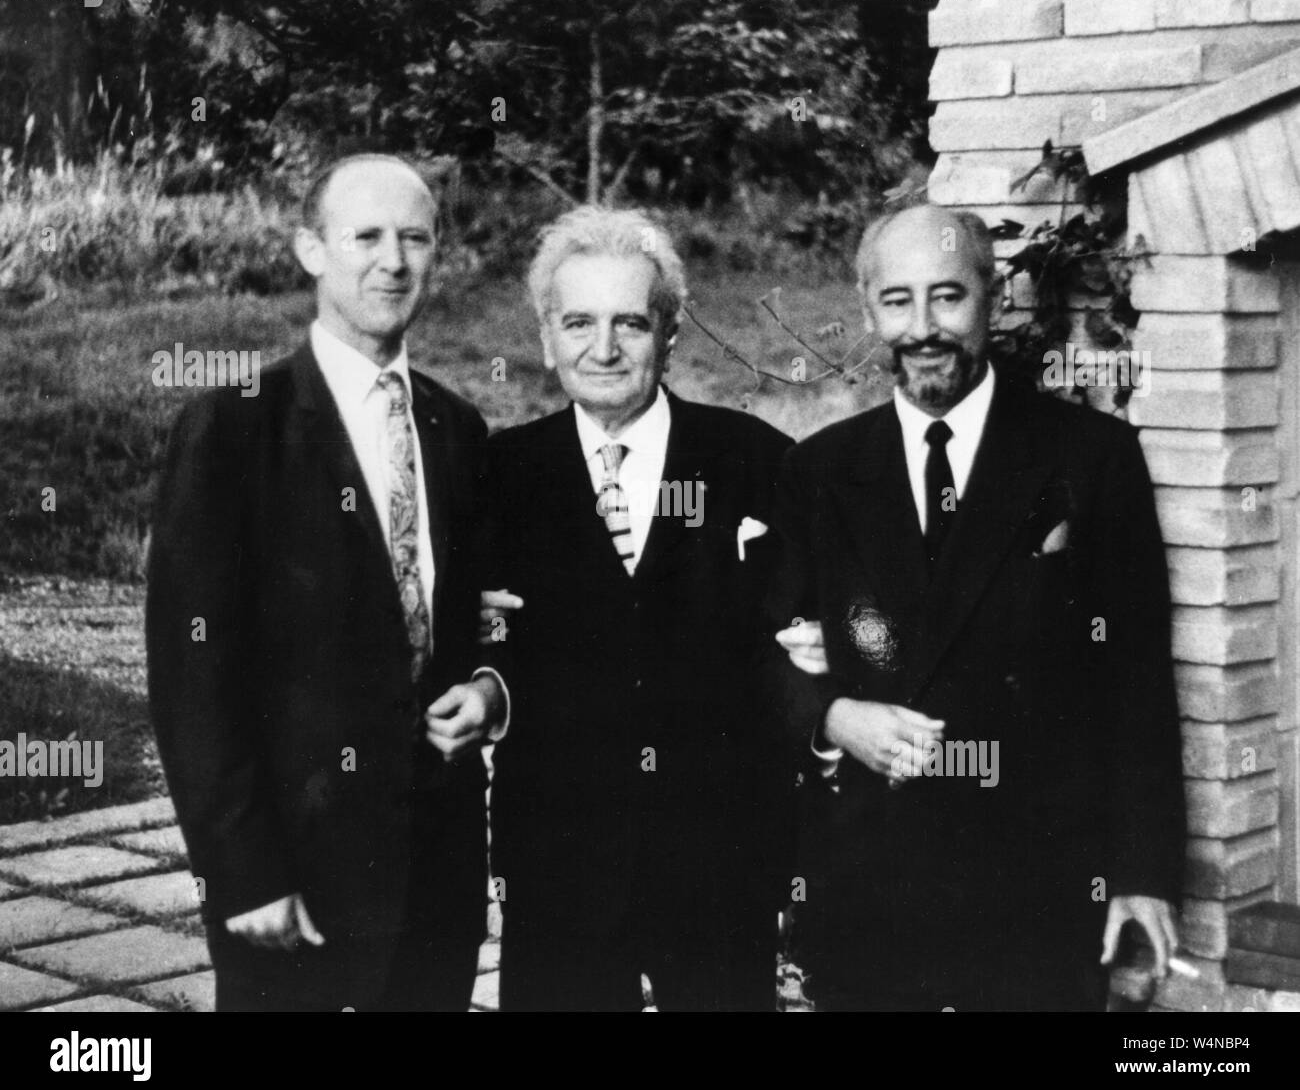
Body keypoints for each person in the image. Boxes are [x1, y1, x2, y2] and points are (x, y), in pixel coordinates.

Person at [766, 204, 1185, 1011]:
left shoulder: (1091, 459)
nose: (923, 327)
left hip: (1039, 886)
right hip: (870, 892)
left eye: (947, 297)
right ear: (868, 311)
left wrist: (1140, 874)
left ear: (992, 301)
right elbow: (760, 655)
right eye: (898, 302)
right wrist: (835, 717)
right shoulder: (818, 471)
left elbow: (1135, 677)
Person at [146, 154, 505, 1011]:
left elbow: (486, 618)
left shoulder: (456, 428)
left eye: (415, 238)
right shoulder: (234, 426)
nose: (394, 261)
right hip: (295, 881)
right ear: (311, 250)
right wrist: (241, 873)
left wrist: (492, 692)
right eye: (367, 237)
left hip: (434, 879)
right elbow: (192, 674)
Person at [478, 205, 793, 1011]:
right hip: (559, 852)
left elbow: (797, 644)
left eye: (631, 322)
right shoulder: (499, 477)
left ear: (671, 334)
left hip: (719, 854)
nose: (604, 348)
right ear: (546, 340)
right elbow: (480, 640)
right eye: (578, 322)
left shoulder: (755, 461)